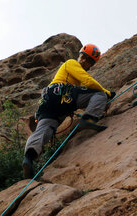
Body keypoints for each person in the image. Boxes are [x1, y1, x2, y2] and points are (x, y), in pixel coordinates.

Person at [22, 44, 115, 179]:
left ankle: (29, 158)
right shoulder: (70, 63)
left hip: (48, 102)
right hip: (61, 94)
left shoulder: (72, 71)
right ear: (80, 57)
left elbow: (82, 98)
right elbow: (88, 82)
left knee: (45, 130)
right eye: (84, 58)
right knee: (99, 94)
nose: (84, 62)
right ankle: (88, 119)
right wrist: (106, 93)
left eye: (87, 60)